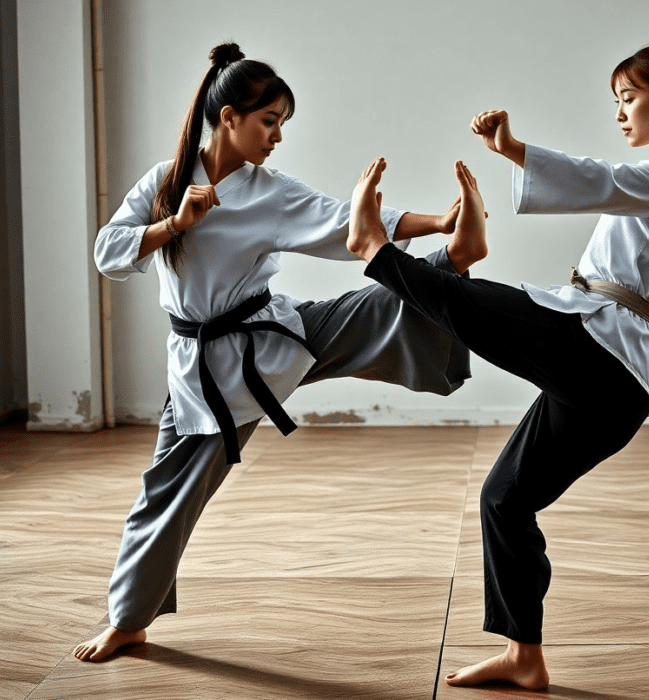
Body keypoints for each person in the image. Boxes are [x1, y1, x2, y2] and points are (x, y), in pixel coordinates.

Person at [346, 34, 649, 689]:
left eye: (628, 98)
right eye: (616, 100)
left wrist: (515, 150)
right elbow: (611, 183)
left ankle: (373, 249)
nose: (619, 113)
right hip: (610, 379)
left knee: (464, 301)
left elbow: (605, 179)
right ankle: (525, 656)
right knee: (504, 499)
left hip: (599, 353)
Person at [74, 42, 485, 662]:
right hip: (206, 370)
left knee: (366, 308)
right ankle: (129, 619)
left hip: (270, 333)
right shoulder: (165, 181)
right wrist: (175, 224)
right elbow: (109, 253)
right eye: (270, 121)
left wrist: (439, 224)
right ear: (230, 117)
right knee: (166, 493)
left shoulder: (269, 192)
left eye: (282, 124)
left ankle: (450, 262)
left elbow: (346, 224)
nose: (278, 137)